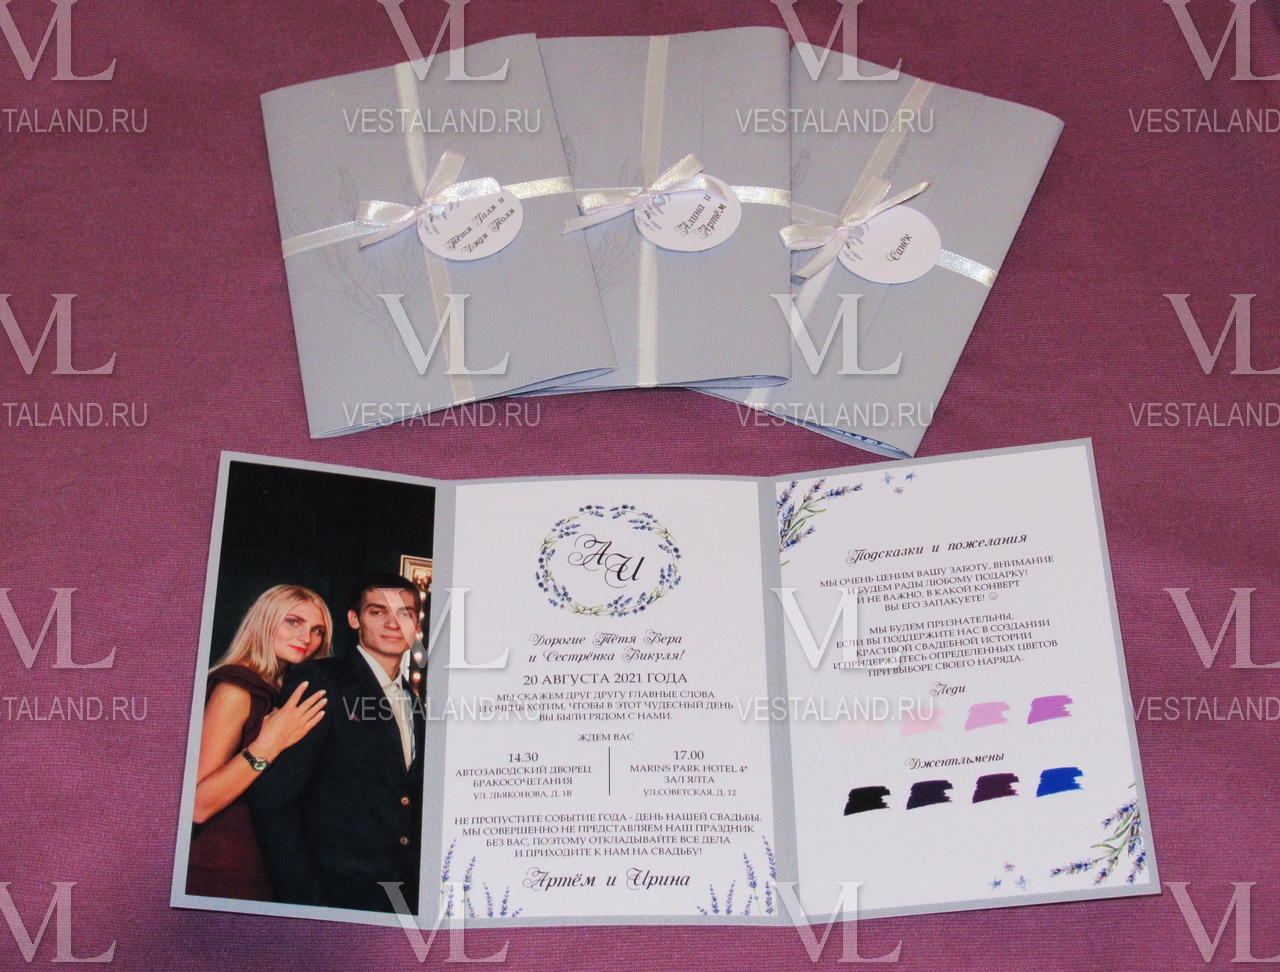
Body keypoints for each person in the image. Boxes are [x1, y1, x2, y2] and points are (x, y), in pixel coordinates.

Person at [248, 571, 426, 913]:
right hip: (331, 897)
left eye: (404, 613)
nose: (393, 624)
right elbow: (274, 801)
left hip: (399, 898)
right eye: (378, 612)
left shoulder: (415, 702)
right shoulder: (321, 680)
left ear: (416, 626)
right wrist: (306, 903)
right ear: (354, 619)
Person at [186, 584, 331, 900]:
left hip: (267, 862)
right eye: (293, 622)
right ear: (265, 621)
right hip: (222, 868)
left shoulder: (282, 690)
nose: (306, 638)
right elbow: (197, 805)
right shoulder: (236, 690)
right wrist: (268, 745)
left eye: (317, 630)